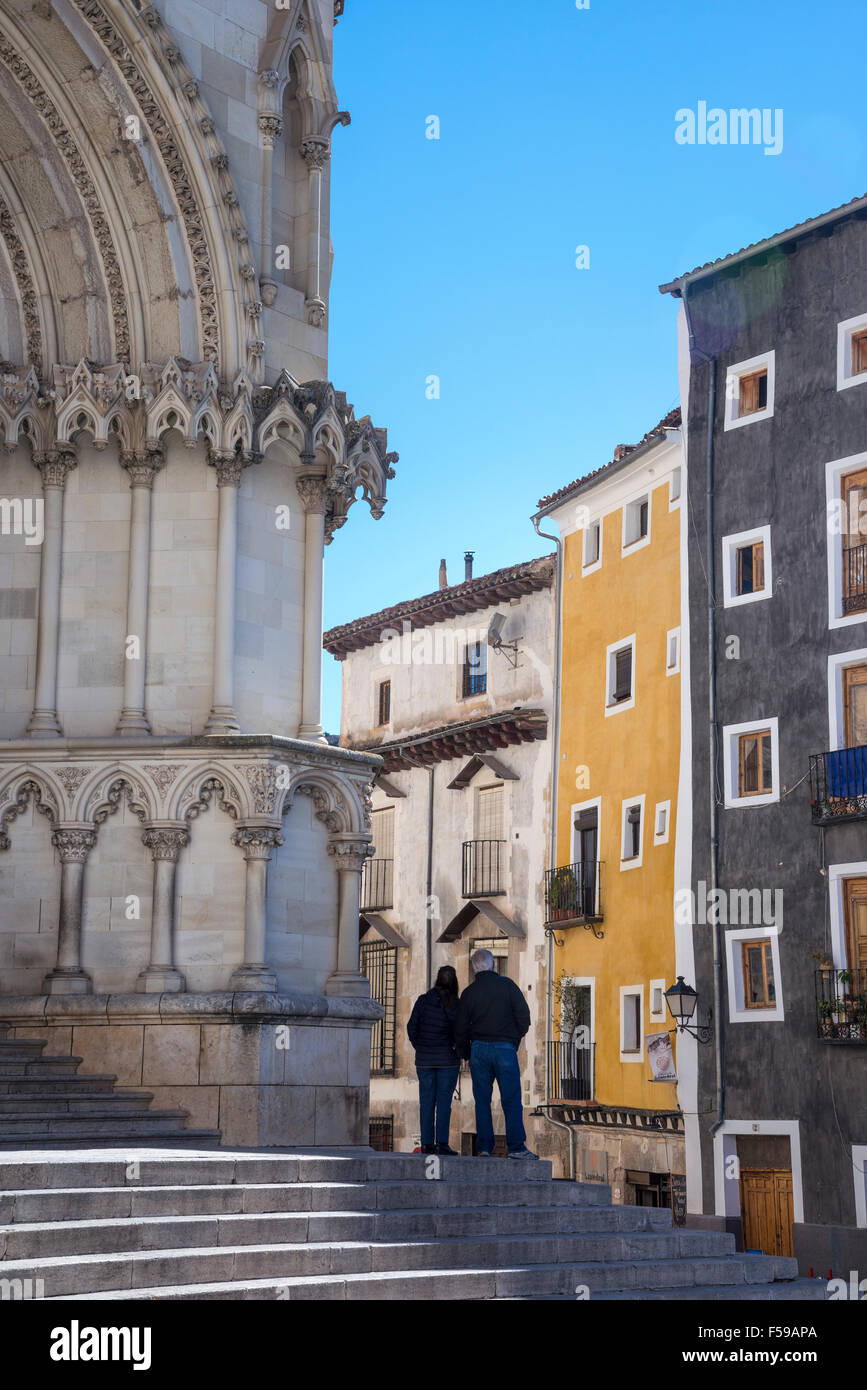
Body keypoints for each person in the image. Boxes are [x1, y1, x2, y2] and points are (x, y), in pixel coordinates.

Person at [453, 948, 537, 1159]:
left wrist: (466, 1054)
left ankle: (484, 1148)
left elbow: (460, 1028)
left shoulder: (469, 993)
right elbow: (524, 1017)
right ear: (493, 965)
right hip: (504, 1048)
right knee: (511, 1099)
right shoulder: (507, 986)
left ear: (474, 968)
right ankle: (516, 1147)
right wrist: (513, 1041)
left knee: (482, 1101)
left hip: (479, 1049)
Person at [406, 965, 460, 1155]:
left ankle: (427, 1144)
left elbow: (411, 1027)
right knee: (444, 1102)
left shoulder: (423, 1001)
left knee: (426, 1102)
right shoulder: (455, 1003)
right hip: (448, 1060)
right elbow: (460, 1032)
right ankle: (442, 1143)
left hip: (424, 1060)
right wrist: (458, 1050)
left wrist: (419, 1047)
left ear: (437, 979)